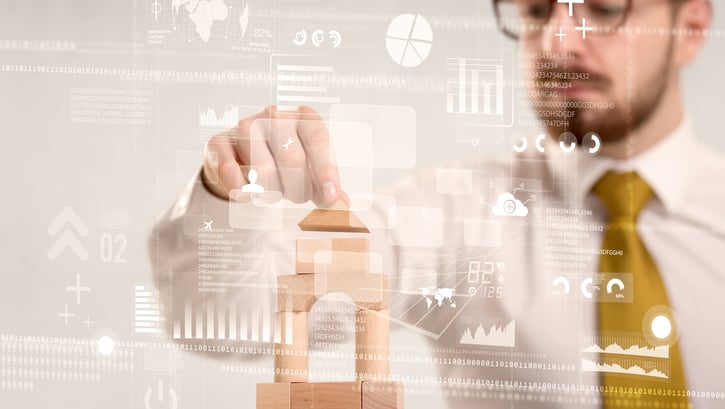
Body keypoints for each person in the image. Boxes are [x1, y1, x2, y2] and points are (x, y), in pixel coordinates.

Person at [150, 0, 725, 407]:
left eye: (603, 9)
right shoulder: (458, 216)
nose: (559, 41)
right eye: (534, 11)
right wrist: (227, 192)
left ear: (692, 24)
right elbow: (226, 319)